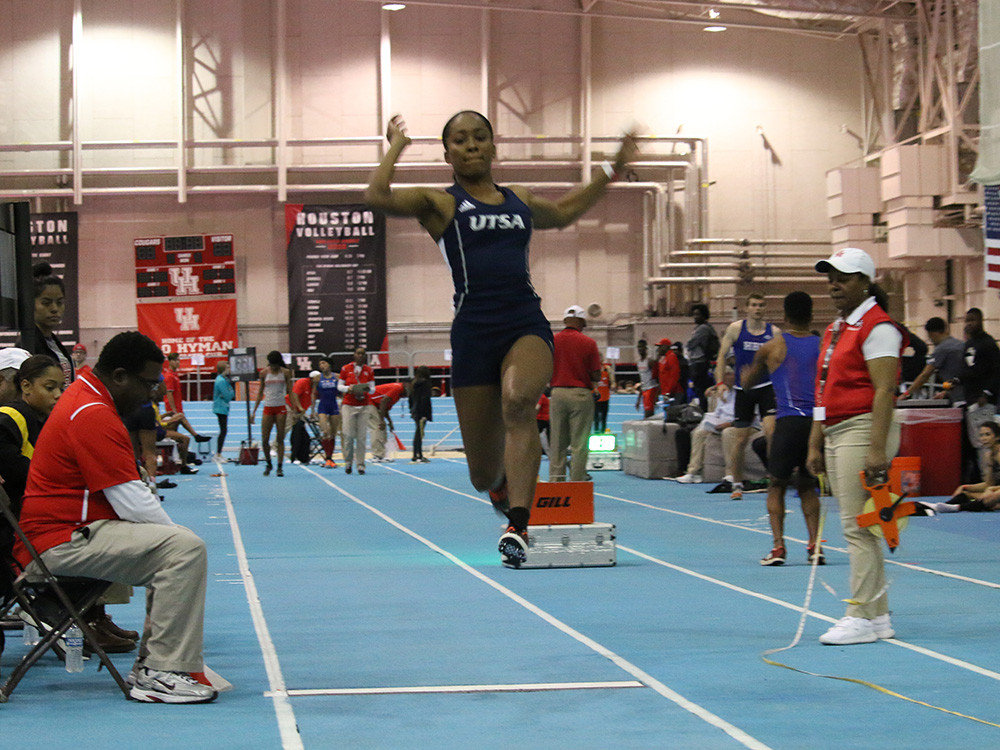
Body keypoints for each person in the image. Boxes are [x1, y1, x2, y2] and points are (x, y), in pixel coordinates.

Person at [365, 110, 636, 567]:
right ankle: (499, 485)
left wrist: (611, 168)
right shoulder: (439, 203)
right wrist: (396, 146)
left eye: (479, 138)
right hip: (473, 332)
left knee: (518, 403)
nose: (470, 146)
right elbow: (376, 197)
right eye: (460, 140)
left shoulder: (520, 200)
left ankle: (518, 524)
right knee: (481, 472)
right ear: (447, 152)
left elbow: (568, 210)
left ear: (494, 146)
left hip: (523, 322)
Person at [13, 331, 217, 703]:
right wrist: (176, 538)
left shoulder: (87, 400)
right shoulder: (91, 413)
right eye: (149, 383)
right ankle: (161, 671)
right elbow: (133, 502)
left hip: (60, 533)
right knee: (184, 549)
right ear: (120, 376)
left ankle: (157, 664)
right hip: (58, 541)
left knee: (177, 544)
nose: (153, 393)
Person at [2, 354, 139, 654]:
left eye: (61, 387)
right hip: (20, 536)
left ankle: (92, 616)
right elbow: (22, 470)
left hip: (36, 524)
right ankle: (67, 612)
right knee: (100, 531)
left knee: (109, 524)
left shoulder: (46, 420)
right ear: (25, 386)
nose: (57, 395)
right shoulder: (13, 416)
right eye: (49, 387)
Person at [806, 247, 906, 646]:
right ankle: (878, 616)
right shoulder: (835, 329)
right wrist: (815, 439)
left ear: (865, 282)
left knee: (856, 527)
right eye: (831, 277)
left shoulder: (879, 327)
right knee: (862, 525)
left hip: (863, 429)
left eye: (843, 278)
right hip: (835, 430)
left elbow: (884, 391)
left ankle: (859, 614)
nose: (834, 285)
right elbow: (822, 388)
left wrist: (877, 449)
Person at [741, 292, 822, 566]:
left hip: (788, 423)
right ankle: (814, 546)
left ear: (784, 317)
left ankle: (778, 548)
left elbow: (749, 384)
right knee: (808, 486)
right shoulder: (823, 346)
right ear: (811, 316)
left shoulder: (772, 347)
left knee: (776, 485)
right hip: (815, 424)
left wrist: (744, 374)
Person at [715, 293, 779, 501]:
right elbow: (721, 358)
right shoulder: (736, 329)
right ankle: (736, 483)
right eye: (754, 305)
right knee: (740, 439)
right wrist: (720, 383)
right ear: (747, 308)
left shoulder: (774, 332)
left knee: (771, 431)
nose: (758, 308)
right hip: (744, 390)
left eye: (761, 305)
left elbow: (781, 361)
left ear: (765, 308)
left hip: (766, 386)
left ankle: (774, 478)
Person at [549, 305, 602, 482]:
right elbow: (596, 374)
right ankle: (577, 482)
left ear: (565, 321)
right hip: (580, 394)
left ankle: (556, 483)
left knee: (557, 443)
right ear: (581, 321)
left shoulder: (552, 341)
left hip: (557, 394)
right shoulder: (589, 343)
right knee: (579, 443)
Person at [952, 309, 1000, 482]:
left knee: (985, 442)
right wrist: (955, 381)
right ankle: (983, 480)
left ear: (981, 320)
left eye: (973, 320)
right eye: (967, 320)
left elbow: (997, 371)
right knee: (976, 442)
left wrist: (986, 393)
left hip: (983, 402)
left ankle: (989, 481)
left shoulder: (988, 344)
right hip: (971, 400)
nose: (969, 323)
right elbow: (967, 370)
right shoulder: (968, 344)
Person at [671, 369, 736, 483]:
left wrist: (729, 424)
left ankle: (730, 474)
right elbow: (717, 413)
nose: (725, 378)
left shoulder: (742, 392)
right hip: (720, 424)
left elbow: (749, 416)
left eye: (728, 374)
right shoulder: (722, 393)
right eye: (723, 375)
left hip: (736, 424)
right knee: (698, 432)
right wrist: (710, 421)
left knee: (727, 432)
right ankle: (693, 472)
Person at [920, 422, 1000, 513]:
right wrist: (965, 486)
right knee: (966, 494)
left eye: (988, 434)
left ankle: (957, 507)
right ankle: (939, 507)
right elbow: (989, 483)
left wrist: (992, 489)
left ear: (997, 437)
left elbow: (990, 487)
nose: (984, 438)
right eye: (981, 435)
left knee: (992, 498)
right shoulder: (989, 455)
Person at [250, 350, 300, 477]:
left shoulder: (285, 373)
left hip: (280, 408)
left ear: (279, 363)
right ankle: (268, 463)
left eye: (276, 365)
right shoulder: (264, 373)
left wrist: (294, 408)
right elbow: (260, 393)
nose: (274, 368)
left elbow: (290, 391)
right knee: (265, 439)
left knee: (280, 438)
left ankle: (279, 466)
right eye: (272, 365)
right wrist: (254, 411)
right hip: (268, 407)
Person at [26, 262, 74, 386]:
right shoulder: (27, 345)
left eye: (59, 302)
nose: (54, 308)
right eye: (46, 303)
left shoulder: (53, 342)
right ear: (31, 304)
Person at [899, 316, 964, 403]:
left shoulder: (941, 349)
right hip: (966, 391)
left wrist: (906, 394)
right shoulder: (960, 344)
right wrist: (945, 392)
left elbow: (925, 375)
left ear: (932, 333)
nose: (930, 340)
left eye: (929, 336)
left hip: (959, 397)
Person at [338, 346, 375, 475]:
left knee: (361, 437)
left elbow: (373, 388)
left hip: (364, 405)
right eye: (358, 353)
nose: (360, 356)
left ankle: (360, 464)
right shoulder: (345, 369)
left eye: (363, 354)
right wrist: (349, 389)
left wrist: (365, 389)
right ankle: (348, 462)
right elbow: (339, 386)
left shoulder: (369, 370)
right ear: (354, 355)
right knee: (348, 435)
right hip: (349, 404)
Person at [162, 352, 211, 444]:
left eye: (179, 360)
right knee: (173, 434)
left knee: (175, 435)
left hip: (178, 407)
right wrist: (173, 410)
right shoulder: (169, 376)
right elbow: (169, 394)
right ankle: (195, 436)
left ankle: (193, 439)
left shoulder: (175, 375)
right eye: (175, 360)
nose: (178, 363)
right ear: (170, 361)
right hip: (173, 409)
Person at [686, 303, 718, 411]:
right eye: (694, 314)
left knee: (699, 388)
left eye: (698, 314)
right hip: (702, 361)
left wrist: (689, 344)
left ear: (704, 315)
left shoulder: (703, 329)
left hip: (699, 362)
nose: (695, 317)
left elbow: (691, 344)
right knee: (701, 388)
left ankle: (704, 410)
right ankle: (704, 408)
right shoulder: (705, 328)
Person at [313, 356, 341, 468]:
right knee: (325, 431)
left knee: (333, 433)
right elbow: (313, 394)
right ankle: (327, 457)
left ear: (329, 364)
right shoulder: (317, 378)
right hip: (322, 407)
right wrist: (312, 409)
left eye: (324, 363)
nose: (322, 366)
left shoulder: (337, 377)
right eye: (320, 364)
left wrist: (343, 402)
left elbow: (342, 391)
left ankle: (330, 457)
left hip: (334, 406)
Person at [369, 381, 406, 462]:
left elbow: (385, 408)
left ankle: (382, 454)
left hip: (374, 404)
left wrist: (390, 422)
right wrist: (382, 420)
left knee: (382, 428)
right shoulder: (398, 388)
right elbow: (383, 402)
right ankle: (377, 455)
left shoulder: (398, 394)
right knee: (377, 427)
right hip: (368, 402)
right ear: (406, 384)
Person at [212, 360, 236, 461]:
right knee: (223, 430)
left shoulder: (223, 379)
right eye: (228, 368)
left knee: (223, 430)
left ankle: (219, 453)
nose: (230, 370)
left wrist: (229, 392)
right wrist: (229, 392)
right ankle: (218, 453)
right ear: (224, 369)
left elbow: (232, 393)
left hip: (223, 407)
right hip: (220, 407)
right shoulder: (221, 381)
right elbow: (228, 396)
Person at [408, 365, 433, 463]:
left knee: (418, 432)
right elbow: (425, 399)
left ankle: (416, 454)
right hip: (422, 411)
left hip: (415, 410)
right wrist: (424, 413)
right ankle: (418, 455)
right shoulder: (426, 384)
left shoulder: (413, 383)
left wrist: (411, 409)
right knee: (419, 433)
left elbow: (410, 398)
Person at [634, 339, 659, 418]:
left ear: (646, 348)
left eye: (641, 347)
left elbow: (657, 378)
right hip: (644, 389)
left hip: (651, 389)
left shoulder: (650, 361)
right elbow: (642, 380)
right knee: (647, 412)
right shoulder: (638, 362)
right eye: (638, 347)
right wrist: (639, 399)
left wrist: (657, 395)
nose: (640, 349)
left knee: (648, 413)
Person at [656, 338, 683, 405]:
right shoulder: (663, 358)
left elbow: (675, 375)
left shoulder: (671, 357)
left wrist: (669, 391)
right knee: (668, 411)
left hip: (674, 392)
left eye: (660, 346)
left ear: (666, 347)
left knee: (673, 411)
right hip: (667, 392)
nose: (658, 349)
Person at [593, 362, 615, 433]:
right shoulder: (593, 369)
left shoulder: (607, 369)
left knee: (604, 417)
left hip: (605, 397)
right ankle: (596, 431)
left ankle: (603, 431)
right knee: (596, 418)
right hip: (596, 397)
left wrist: (613, 385)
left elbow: (613, 381)